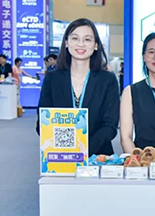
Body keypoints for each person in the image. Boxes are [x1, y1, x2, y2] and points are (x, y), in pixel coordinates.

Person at [37, 18, 120, 156]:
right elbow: (42, 122)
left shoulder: (108, 80)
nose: (81, 43)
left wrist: (82, 149)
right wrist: (68, 148)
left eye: (87, 39)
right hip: (60, 155)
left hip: (98, 156)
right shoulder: (52, 79)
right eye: (75, 38)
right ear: (66, 43)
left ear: (96, 45)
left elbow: (110, 125)